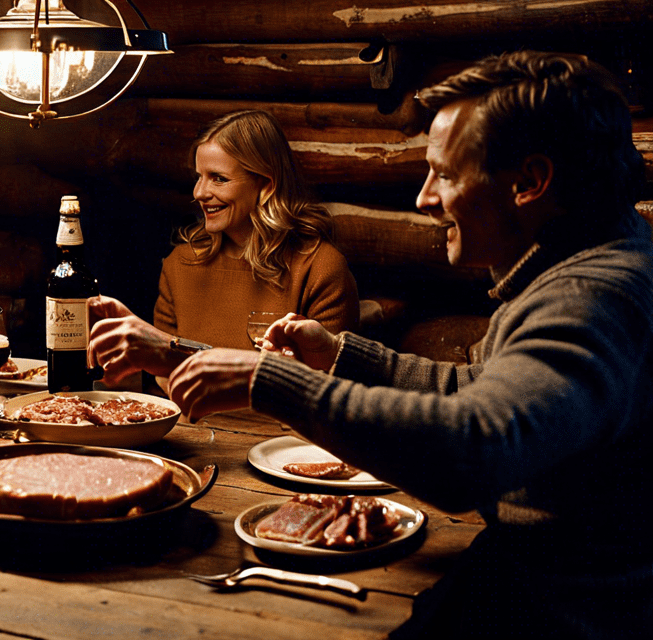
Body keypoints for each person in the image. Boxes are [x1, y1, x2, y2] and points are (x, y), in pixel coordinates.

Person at [168, 51, 653, 638]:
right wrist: (341, 355)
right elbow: (478, 389)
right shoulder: (566, 269)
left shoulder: (592, 297)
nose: (424, 198)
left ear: (529, 182)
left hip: (575, 608)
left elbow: (474, 448)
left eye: (445, 175)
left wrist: (265, 381)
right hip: (534, 572)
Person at [90, 109, 358, 390]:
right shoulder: (181, 264)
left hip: (281, 434)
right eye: (199, 176)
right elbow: (165, 375)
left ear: (266, 185)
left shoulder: (321, 267)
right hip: (190, 430)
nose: (200, 192)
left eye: (218, 178)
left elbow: (330, 393)